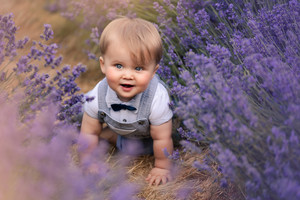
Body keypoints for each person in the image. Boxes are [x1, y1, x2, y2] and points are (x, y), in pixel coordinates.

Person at [79, 17, 174, 186]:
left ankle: (114, 136)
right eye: (118, 66)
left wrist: (162, 167)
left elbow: (162, 138)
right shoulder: (98, 94)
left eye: (138, 68)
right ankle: (110, 133)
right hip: (119, 124)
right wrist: (88, 161)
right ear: (103, 65)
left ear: (153, 71)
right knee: (85, 115)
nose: (128, 75)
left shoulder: (157, 98)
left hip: (147, 137)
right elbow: (88, 133)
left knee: (141, 148)